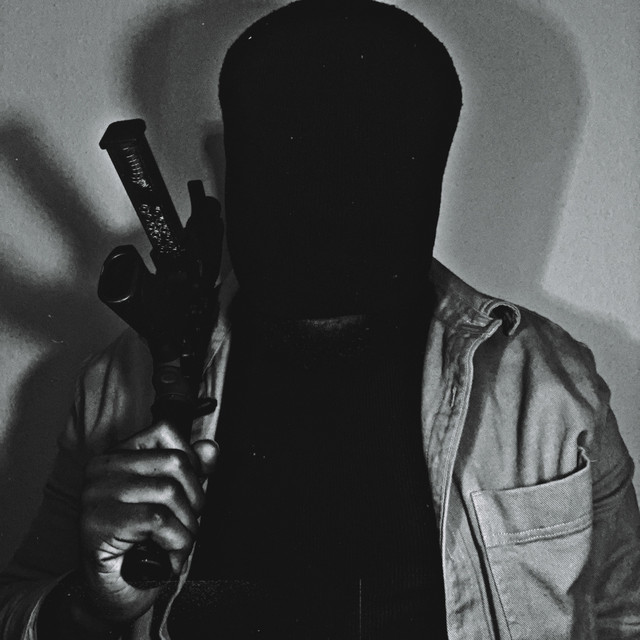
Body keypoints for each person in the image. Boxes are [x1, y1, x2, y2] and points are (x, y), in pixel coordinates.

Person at [1, 1, 639, 638]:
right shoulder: (121, 382)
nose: (327, 201)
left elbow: (622, 612)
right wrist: (91, 604)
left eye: (360, 152)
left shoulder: (546, 388)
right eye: (297, 150)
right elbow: (16, 610)